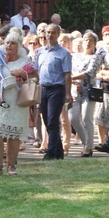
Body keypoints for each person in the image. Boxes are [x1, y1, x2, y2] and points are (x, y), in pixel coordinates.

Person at [0, 28, 37, 176]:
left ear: (19, 45)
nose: (9, 45)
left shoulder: (25, 61)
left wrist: (24, 74)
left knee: (13, 136)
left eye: (13, 43)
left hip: (17, 101)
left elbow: (35, 78)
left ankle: (11, 166)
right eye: (7, 42)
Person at [34, 24, 72, 161]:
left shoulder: (64, 53)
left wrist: (68, 94)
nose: (50, 35)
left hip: (56, 89)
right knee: (46, 120)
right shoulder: (40, 52)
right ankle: (58, 151)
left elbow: (67, 75)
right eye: (48, 32)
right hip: (43, 89)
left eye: (53, 33)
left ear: (58, 35)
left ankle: (50, 152)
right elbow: (36, 72)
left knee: (52, 120)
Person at [69, 32, 103, 157]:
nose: (88, 43)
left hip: (89, 91)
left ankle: (88, 148)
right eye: (86, 40)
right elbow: (70, 70)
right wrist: (73, 81)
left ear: (94, 44)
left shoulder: (96, 57)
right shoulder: (76, 57)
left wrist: (71, 77)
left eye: (91, 41)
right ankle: (86, 143)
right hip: (75, 90)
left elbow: (89, 73)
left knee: (86, 118)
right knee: (73, 118)